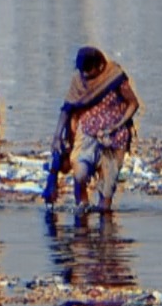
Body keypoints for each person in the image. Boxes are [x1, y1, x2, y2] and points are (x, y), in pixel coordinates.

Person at [59, 46, 143, 213]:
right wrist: (58, 137)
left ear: (100, 66)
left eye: (88, 71)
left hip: (114, 138)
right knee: (80, 174)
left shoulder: (114, 76)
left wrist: (118, 124)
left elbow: (133, 103)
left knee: (107, 188)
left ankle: (104, 228)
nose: (85, 75)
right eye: (82, 71)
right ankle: (81, 210)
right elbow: (67, 108)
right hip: (87, 135)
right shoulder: (78, 80)